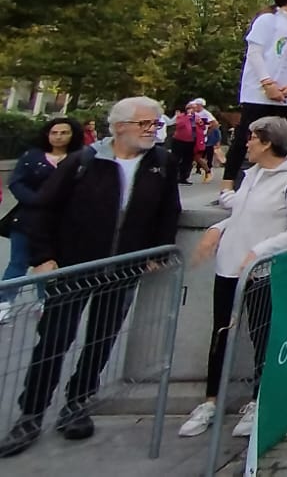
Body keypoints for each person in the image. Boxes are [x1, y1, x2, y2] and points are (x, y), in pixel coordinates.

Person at [0, 97, 181, 457]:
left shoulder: (162, 162)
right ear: (120, 127)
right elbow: (42, 209)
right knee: (53, 341)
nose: (152, 131)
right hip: (75, 266)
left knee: (102, 339)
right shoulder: (82, 162)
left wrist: (158, 251)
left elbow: (168, 210)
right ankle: (31, 414)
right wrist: (44, 257)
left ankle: (77, 404)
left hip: (124, 267)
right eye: (146, 124)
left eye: (156, 125)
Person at [178, 116, 287, 440]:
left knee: (261, 336)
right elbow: (241, 213)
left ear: (267, 142)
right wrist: (216, 228)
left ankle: (258, 399)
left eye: (251, 138)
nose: (246, 143)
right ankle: (210, 402)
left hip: (261, 271)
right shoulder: (250, 175)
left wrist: (260, 251)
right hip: (228, 266)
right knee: (221, 334)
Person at [225, 0, 287, 189]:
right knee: (245, 137)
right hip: (259, 94)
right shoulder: (267, 20)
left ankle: (270, 184)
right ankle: (228, 185)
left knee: (281, 140)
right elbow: (255, 53)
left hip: (286, 95)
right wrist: (267, 83)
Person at [1, 118, 85, 324]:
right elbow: (16, 182)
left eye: (63, 133)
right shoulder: (32, 156)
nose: (58, 137)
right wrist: (36, 200)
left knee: (49, 264)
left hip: (59, 222)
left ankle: (44, 301)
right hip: (27, 218)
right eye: (54, 132)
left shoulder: (80, 159)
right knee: (17, 262)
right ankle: (4, 303)